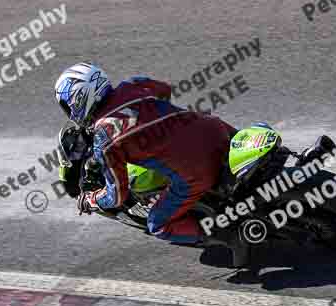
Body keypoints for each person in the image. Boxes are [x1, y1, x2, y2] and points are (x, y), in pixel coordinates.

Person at [54, 62, 236, 244]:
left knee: (158, 224)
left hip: (198, 171)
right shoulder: (132, 85)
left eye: (66, 107)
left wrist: (90, 200)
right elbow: (164, 90)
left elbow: (117, 196)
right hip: (215, 129)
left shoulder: (105, 140)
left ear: (77, 101)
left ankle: (230, 236)